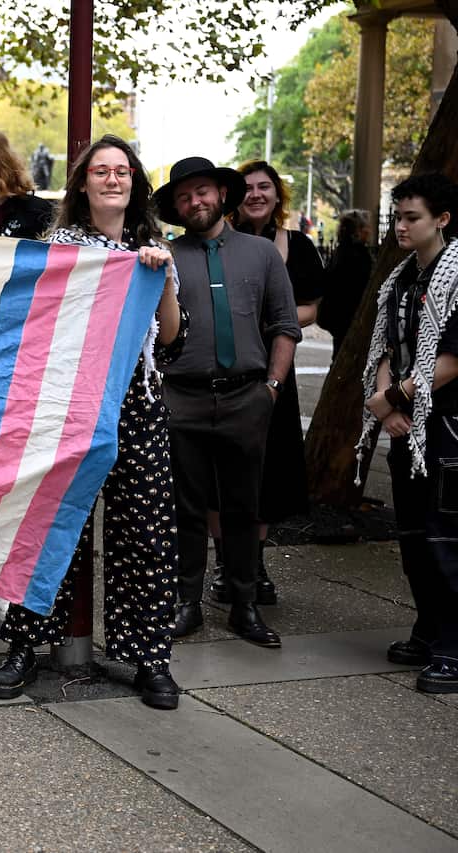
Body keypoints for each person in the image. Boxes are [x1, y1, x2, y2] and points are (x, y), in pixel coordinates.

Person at [0, 135, 186, 710]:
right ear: (82, 184)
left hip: (138, 405)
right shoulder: (59, 247)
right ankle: (26, 645)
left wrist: (163, 277)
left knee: (146, 533)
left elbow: (172, 339)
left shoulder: (154, 246)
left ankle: (150, 656)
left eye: (122, 171)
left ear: (135, 183)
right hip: (69, 406)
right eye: (101, 171)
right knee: (51, 526)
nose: (112, 179)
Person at [154, 156, 300, 648]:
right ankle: (185, 602)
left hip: (247, 397)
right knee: (185, 507)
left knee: (243, 507)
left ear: (221, 194)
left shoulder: (261, 255)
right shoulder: (166, 256)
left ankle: (244, 605)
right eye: (183, 196)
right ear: (176, 207)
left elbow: (285, 324)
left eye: (202, 192)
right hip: (182, 398)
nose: (194, 201)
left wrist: (272, 388)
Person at [356, 173, 458, 695]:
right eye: (397, 216)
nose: (400, 226)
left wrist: (393, 399)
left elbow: (449, 362)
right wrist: (386, 408)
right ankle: (427, 628)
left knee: (446, 538)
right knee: (414, 537)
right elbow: (387, 352)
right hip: (406, 427)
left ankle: (452, 646)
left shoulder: (457, 276)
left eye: (411, 217)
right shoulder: (400, 279)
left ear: (441, 219)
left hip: (447, 430)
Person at [211, 160, 324, 606]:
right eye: (249, 187)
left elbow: (311, 310)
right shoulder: (217, 243)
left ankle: (253, 565)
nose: (257, 194)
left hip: (275, 373)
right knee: (219, 472)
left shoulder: (298, 245)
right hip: (224, 369)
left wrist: (263, 315)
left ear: (278, 195)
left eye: (265, 187)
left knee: (267, 473)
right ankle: (224, 564)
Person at [318, 209, 375, 359]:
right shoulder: (359, 255)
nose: (369, 231)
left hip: (338, 315)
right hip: (351, 316)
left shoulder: (341, 251)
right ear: (359, 231)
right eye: (366, 228)